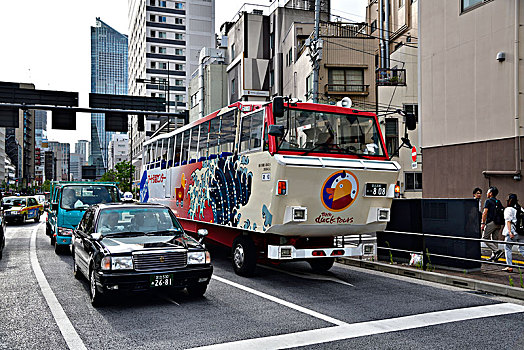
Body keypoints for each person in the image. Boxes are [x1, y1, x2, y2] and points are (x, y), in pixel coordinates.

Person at [502, 194, 524, 272]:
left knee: (508, 248)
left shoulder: (508, 209)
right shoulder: (520, 209)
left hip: (512, 232)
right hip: (521, 233)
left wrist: (509, 232)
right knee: (522, 249)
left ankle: (509, 267)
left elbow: (508, 221)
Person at [481, 186, 504, 261]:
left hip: (491, 222)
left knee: (485, 238)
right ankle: (494, 257)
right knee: (495, 240)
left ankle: (497, 251)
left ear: (490, 193)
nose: (487, 193)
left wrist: (483, 223)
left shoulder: (488, 201)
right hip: (498, 223)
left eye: (488, 192)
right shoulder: (498, 201)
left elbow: (485, 213)